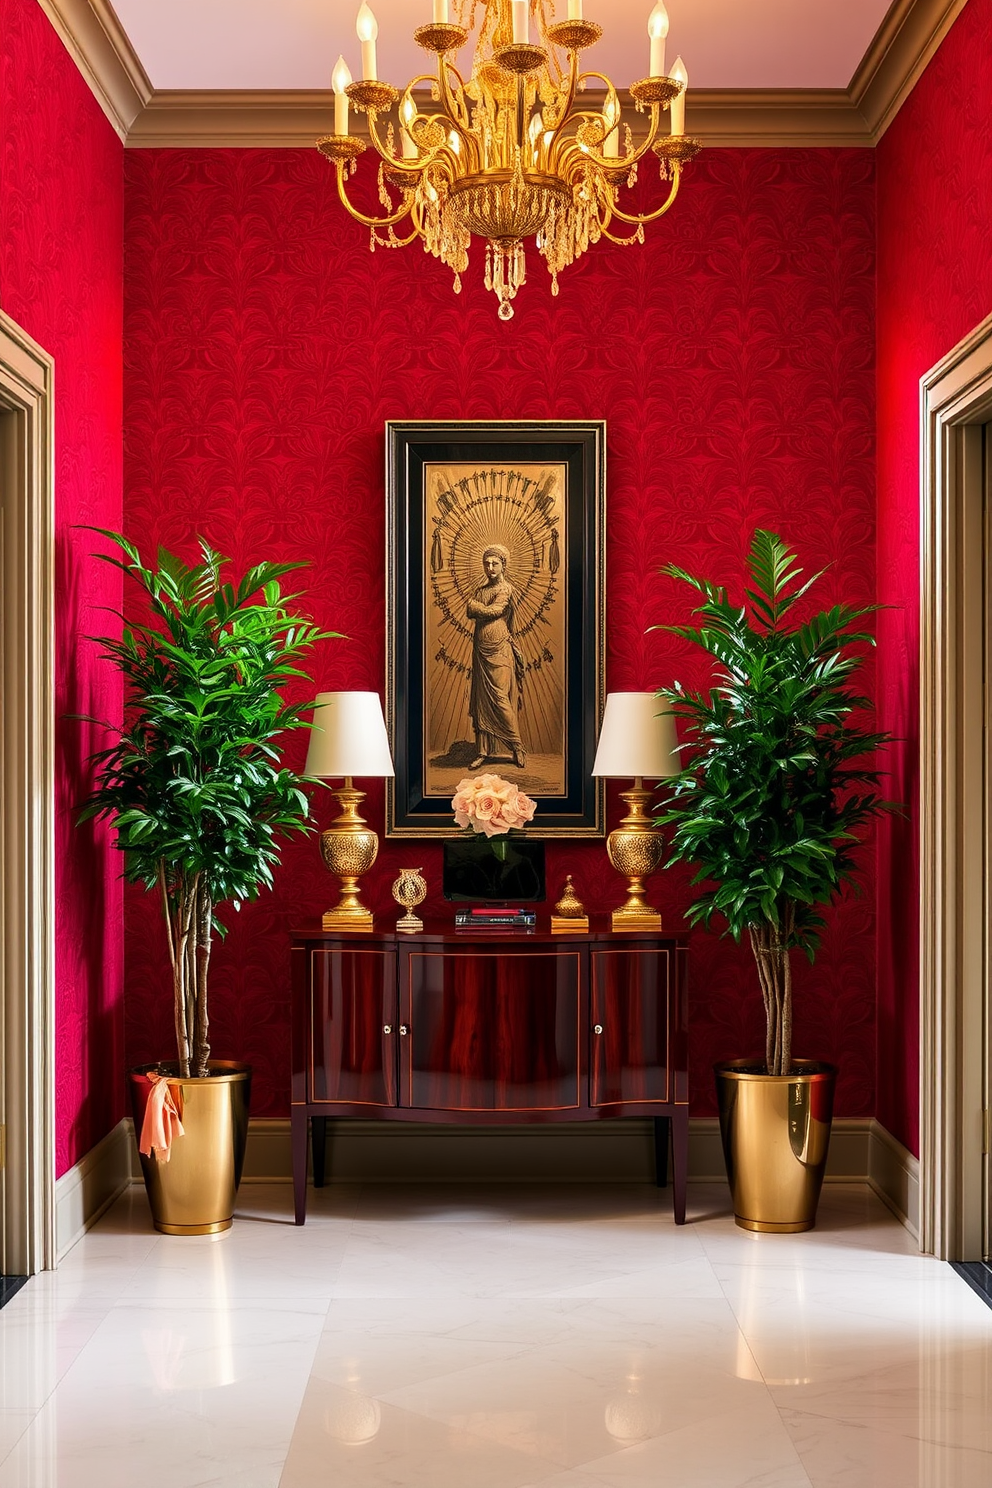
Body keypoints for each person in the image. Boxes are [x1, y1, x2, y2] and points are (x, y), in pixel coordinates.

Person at [466, 545, 526, 770]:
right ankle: (482, 751)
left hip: (500, 649)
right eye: (487, 564)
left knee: (501, 698)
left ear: (503, 565)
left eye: (495, 563)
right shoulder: (481, 591)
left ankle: (517, 746)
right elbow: (477, 610)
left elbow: (495, 610)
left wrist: (474, 606)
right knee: (481, 699)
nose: (490, 568)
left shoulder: (506, 589)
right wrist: (476, 606)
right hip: (480, 649)